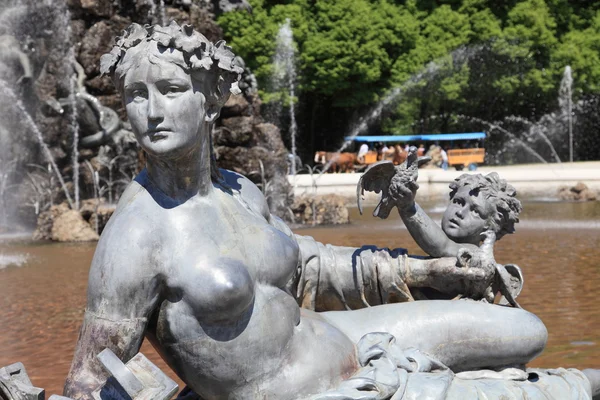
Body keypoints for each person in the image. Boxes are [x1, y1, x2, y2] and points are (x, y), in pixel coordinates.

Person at [63, 23, 572, 400]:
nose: (151, 112)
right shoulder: (136, 232)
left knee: (526, 330)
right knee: (552, 390)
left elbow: (308, 268)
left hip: (340, 341)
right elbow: (89, 376)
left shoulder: (238, 189)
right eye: (135, 95)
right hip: (298, 389)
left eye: (170, 90)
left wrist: (427, 270)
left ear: (211, 101)